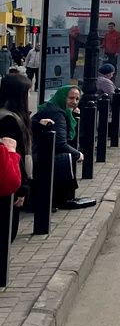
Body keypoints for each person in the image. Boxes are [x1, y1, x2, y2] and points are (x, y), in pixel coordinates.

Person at [32, 86, 86, 209]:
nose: (75, 101)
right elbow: (60, 143)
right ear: (62, 97)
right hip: (41, 155)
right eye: (71, 98)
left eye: (77, 99)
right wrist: (78, 154)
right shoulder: (57, 114)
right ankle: (62, 199)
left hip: (38, 152)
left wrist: (71, 114)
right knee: (66, 158)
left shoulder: (54, 108)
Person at [0, 73, 34, 240]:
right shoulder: (9, 120)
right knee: (7, 233)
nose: (29, 95)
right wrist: (22, 188)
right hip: (9, 184)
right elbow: (13, 155)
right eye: (27, 92)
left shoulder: (9, 116)